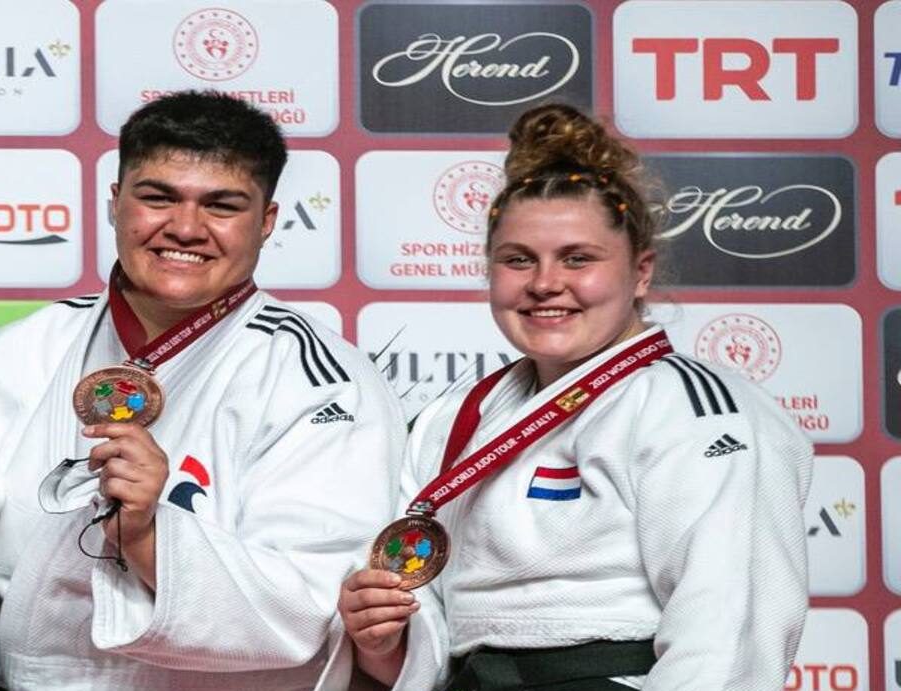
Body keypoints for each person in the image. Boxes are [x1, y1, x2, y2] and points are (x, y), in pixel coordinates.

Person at [336, 103, 813, 690]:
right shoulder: (454, 418)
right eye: (517, 260)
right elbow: (436, 626)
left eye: (577, 259)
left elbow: (731, 634)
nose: (543, 284)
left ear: (640, 272)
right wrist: (387, 639)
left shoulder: (698, 409)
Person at [0, 91, 405, 690]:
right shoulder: (27, 349)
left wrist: (147, 536)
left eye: (222, 205)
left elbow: (309, 604)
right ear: (116, 204)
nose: (186, 228)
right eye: (158, 197)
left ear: (267, 223)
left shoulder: (321, 379)